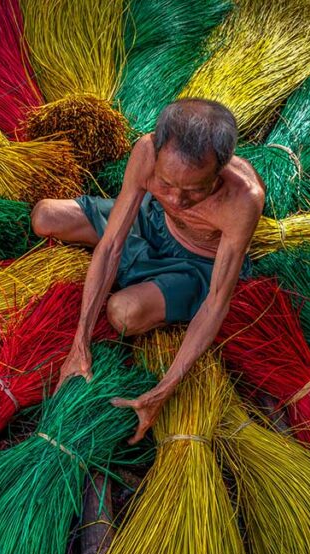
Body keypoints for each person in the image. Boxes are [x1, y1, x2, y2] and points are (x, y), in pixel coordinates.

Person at [31, 98, 265, 444]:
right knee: (45, 216)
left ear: (221, 168)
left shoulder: (243, 198)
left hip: (196, 264)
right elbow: (111, 246)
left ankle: (155, 295)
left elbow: (217, 301)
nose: (177, 201)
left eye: (195, 191)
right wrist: (79, 343)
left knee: (123, 313)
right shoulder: (146, 151)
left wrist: (165, 388)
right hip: (151, 223)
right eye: (167, 184)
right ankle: (140, 276)